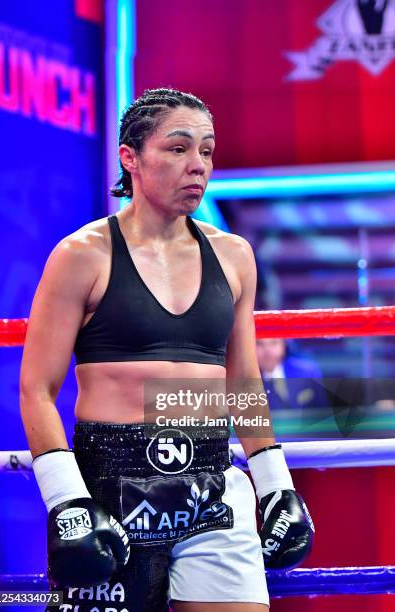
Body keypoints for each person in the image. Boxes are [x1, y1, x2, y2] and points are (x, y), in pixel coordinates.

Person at [20, 88, 314, 612]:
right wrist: (67, 503)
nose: (196, 165)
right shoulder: (81, 256)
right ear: (129, 157)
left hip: (212, 487)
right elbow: (37, 388)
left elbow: (242, 380)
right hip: (112, 486)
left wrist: (274, 485)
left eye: (206, 150)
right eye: (178, 149)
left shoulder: (233, 256)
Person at [256, 338, 328, 411]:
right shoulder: (245, 380)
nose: (267, 350)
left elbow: (323, 412)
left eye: (273, 343)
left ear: (284, 345)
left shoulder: (308, 372)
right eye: (259, 344)